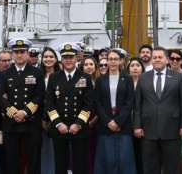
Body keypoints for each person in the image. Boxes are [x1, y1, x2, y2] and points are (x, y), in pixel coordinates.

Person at [134, 46, 182, 174]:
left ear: (167, 59)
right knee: (150, 166)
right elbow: (138, 104)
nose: (157, 60)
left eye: (160, 57)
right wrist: (137, 126)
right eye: (155, 58)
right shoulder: (143, 77)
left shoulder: (178, 77)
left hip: (172, 129)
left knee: (173, 166)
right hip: (148, 129)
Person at [0, 38, 46, 174]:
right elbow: (0, 97)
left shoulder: (37, 73)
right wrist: (15, 113)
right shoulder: (5, 74)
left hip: (31, 122)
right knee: (12, 161)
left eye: (22, 52)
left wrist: (24, 112)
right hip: (12, 123)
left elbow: (40, 95)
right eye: (16, 52)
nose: (19, 55)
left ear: (27, 54)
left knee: (34, 160)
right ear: (12, 54)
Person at [46, 43, 94, 174]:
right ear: (61, 59)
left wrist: (78, 124)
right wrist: (58, 124)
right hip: (59, 129)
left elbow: (88, 104)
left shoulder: (85, 78)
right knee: (60, 164)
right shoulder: (54, 78)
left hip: (79, 129)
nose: (68, 60)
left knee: (80, 164)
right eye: (65, 57)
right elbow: (49, 104)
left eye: (71, 57)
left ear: (77, 58)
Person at [93, 49, 135, 174]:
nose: (112, 62)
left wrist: (118, 121)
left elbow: (129, 102)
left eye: (116, 59)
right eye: (110, 59)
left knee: (125, 159)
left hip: (123, 124)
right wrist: (107, 122)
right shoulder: (100, 80)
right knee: (107, 159)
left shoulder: (127, 79)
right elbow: (97, 103)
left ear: (121, 61)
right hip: (105, 125)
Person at [39, 47, 59, 174]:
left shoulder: (61, 76)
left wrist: (53, 118)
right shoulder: (37, 75)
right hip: (39, 118)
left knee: (55, 150)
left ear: (56, 59)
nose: (48, 59)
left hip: (57, 118)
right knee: (41, 150)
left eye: (51, 57)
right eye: (45, 57)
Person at [127, 58, 145, 174]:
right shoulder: (124, 83)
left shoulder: (147, 83)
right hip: (127, 125)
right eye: (132, 65)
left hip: (144, 125)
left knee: (142, 154)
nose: (135, 67)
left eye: (137, 65)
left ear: (142, 68)